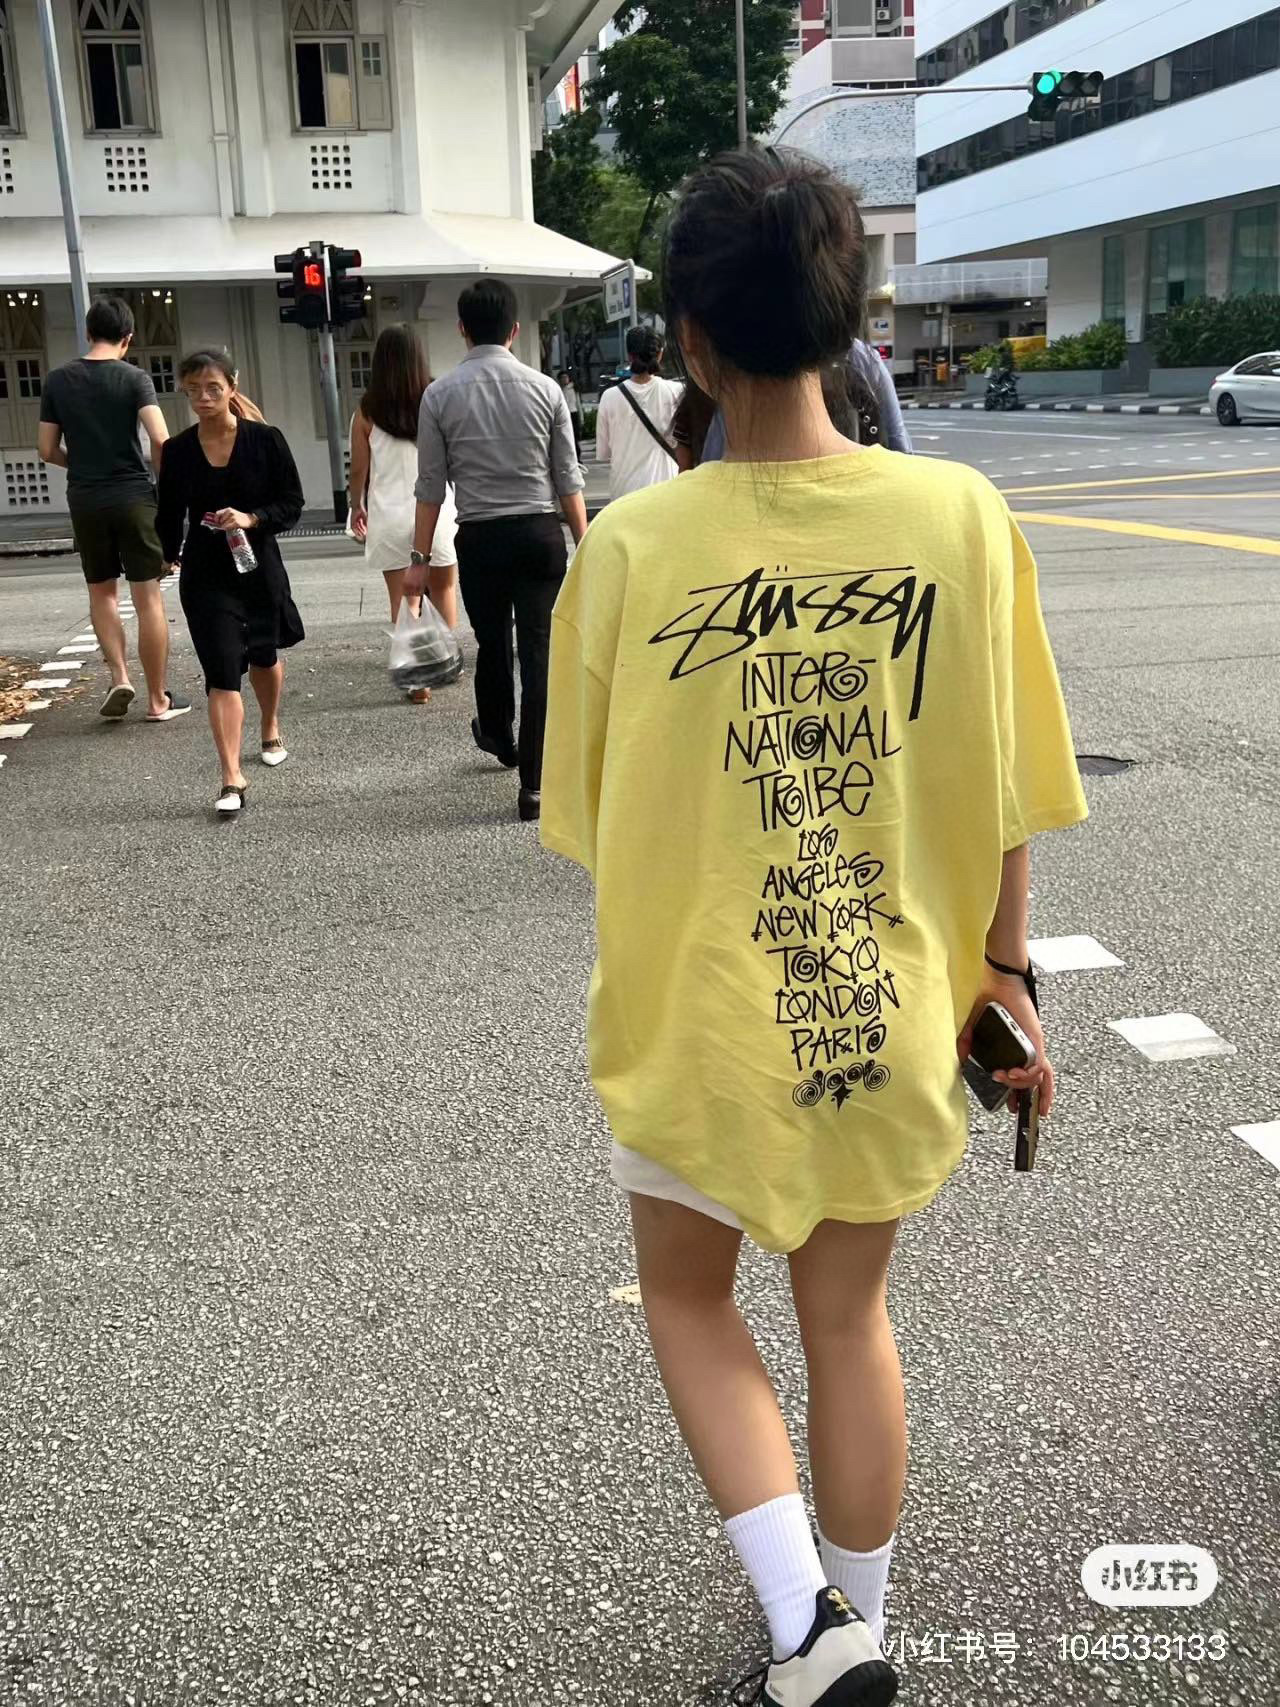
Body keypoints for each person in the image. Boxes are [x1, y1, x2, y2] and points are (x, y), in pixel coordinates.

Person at [541, 147, 1087, 1705]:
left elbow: (589, 809)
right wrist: (1003, 975)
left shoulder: (634, 548)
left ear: (692, 339)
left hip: (700, 1014)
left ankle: (805, 1621)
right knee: (848, 1318)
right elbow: (1009, 786)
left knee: (687, 1295)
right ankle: (863, 1618)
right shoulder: (960, 515)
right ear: (853, 319)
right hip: (886, 1004)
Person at [408, 278, 587, 824]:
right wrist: (585, 543)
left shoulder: (439, 395)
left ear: (462, 329)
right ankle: (534, 784)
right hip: (538, 534)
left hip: (480, 538)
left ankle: (498, 736)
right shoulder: (546, 390)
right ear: (514, 329)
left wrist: (418, 561)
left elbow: (430, 487)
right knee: (538, 654)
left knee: (491, 642)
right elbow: (567, 476)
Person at [157, 350, 305, 816]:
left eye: (213, 388)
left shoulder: (265, 441)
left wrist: (251, 517)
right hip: (206, 573)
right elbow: (168, 512)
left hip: (258, 565)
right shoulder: (178, 451)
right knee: (221, 672)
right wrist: (166, 554)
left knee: (263, 654)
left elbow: (292, 503)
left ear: (231, 388)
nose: (203, 397)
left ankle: (270, 725)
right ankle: (230, 776)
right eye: (193, 389)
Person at [37, 295, 190, 724]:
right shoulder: (134, 378)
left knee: (102, 592)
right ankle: (157, 699)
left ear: (88, 333)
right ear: (128, 338)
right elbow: (160, 440)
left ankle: (120, 677)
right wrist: (165, 490)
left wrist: (82, 465)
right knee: (148, 597)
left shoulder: (58, 380)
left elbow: (46, 449)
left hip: (86, 498)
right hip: (133, 496)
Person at [348, 325, 458, 705]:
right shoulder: (437, 397)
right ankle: (440, 665)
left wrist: (356, 505)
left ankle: (417, 681)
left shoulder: (367, 409)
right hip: (437, 511)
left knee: (404, 598)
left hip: (390, 516)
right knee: (443, 589)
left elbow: (358, 471)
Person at [700, 337, 912, 461]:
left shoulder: (744, 369)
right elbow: (900, 445)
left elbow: (714, 458)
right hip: (861, 491)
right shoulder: (862, 358)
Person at [593, 326, 683, 501]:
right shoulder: (677, 392)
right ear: (660, 354)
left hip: (624, 496)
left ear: (629, 356)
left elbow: (604, 453)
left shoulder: (609, 397)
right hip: (667, 494)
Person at [557, 370, 583, 459]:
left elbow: (578, 404)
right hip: (563, 415)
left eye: (566, 377)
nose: (564, 379)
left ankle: (577, 456)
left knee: (574, 437)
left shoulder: (573, 389)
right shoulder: (559, 390)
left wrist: (581, 418)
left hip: (573, 413)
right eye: (562, 378)